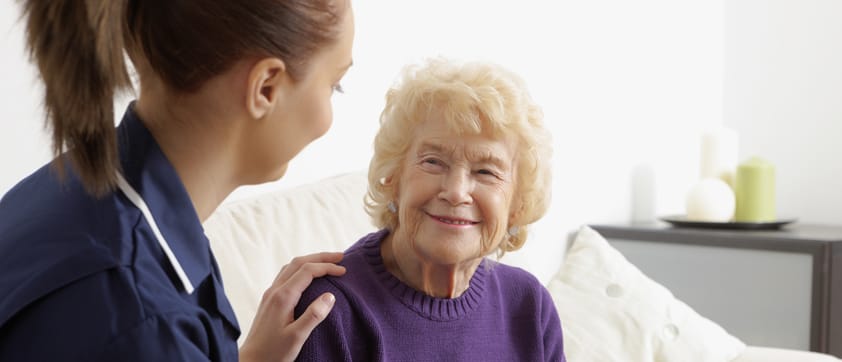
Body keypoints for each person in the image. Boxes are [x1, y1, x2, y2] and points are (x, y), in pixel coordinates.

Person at [0, 1, 354, 360]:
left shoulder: (73, 178)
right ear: (265, 88)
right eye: (334, 85)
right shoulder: (145, 322)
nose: (329, 120)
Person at [294, 58, 566, 361]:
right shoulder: (332, 308)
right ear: (393, 177)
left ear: (517, 204)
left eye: (486, 172)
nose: (456, 192)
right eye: (434, 162)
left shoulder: (529, 305)